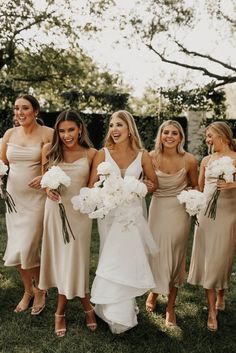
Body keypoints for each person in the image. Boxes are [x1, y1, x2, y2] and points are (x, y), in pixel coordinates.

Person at [88, 110, 158, 334]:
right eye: (111, 125)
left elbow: (153, 183)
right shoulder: (102, 154)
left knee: (129, 257)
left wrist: (138, 188)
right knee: (111, 257)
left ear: (129, 129)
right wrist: (107, 192)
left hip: (131, 215)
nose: (114, 130)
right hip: (110, 214)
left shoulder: (142, 155)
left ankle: (126, 306)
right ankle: (107, 307)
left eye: (119, 125)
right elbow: (91, 186)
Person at [38, 110, 97, 337]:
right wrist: (47, 188)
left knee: (76, 261)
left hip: (79, 214)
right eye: (61, 131)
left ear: (80, 128)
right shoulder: (49, 150)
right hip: (55, 210)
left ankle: (67, 310)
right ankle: (74, 309)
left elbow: (91, 188)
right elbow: (45, 181)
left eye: (71, 130)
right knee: (61, 260)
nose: (66, 135)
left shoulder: (93, 153)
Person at [1, 94, 53, 314]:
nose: (19, 113)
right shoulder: (9, 134)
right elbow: (2, 162)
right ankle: (28, 290)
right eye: (16, 109)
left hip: (36, 200)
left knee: (27, 247)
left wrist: (45, 177)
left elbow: (54, 164)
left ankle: (40, 290)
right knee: (16, 248)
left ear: (35, 111)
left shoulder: (48, 133)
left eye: (25, 108)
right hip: (14, 200)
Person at [145, 120, 198, 327]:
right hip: (158, 208)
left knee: (176, 254)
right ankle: (154, 292)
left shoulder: (190, 160)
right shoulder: (150, 157)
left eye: (174, 133)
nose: (169, 136)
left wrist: (191, 194)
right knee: (156, 252)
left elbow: (196, 186)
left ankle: (171, 306)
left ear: (180, 137)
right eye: (165, 132)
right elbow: (145, 182)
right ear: (160, 135)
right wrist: (145, 185)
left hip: (178, 211)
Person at [187, 121, 236, 332]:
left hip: (228, 214)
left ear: (223, 136)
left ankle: (221, 293)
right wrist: (193, 200)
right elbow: (199, 185)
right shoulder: (206, 159)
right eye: (206, 136)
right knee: (208, 259)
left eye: (210, 136)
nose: (208, 140)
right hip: (206, 213)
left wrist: (233, 184)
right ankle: (211, 311)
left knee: (222, 257)